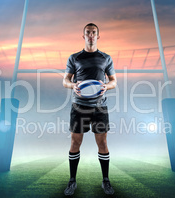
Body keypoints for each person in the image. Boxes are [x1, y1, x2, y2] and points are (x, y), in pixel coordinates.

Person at [62, 23, 117, 196]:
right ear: (83, 35)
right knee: (75, 143)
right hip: (79, 106)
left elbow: (114, 82)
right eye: (88, 32)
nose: (91, 35)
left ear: (98, 36)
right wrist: (73, 86)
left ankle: (106, 181)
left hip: (99, 107)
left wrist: (105, 87)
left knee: (102, 143)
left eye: (94, 32)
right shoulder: (74, 57)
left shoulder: (106, 58)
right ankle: (72, 181)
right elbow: (65, 81)